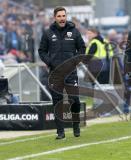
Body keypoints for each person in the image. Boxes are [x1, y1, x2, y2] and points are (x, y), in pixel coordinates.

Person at [38, 7, 86, 139]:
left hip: (71, 73)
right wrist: (50, 62)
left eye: (63, 16)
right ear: (55, 17)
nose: (62, 18)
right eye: (59, 16)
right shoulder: (48, 33)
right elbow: (41, 51)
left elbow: (82, 48)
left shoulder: (74, 32)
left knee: (74, 101)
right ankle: (60, 132)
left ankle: (76, 125)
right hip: (55, 73)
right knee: (57, 102)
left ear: (66, 16)